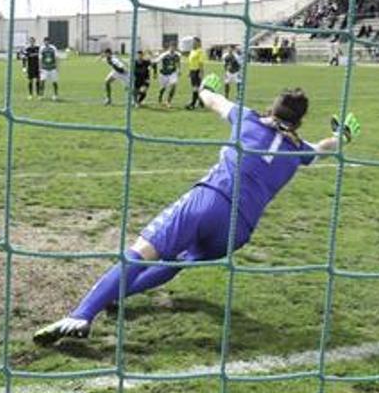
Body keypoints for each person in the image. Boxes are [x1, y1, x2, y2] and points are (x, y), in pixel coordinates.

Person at [33, 76, 361, 345]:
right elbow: (323, 149)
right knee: (179, 261)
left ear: (273, 107)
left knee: (140, 252)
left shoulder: (246, 117)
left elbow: (211, 99)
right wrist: (341, 135)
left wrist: (206, 86)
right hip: (239, 229)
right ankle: (116, 297)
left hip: (208, 201)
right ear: (299, 121)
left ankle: (81, 315)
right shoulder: (299, 151)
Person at [153, 42, 181, 108]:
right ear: (169, 47)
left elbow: (178, 63)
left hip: (172, 73)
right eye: (171, 47)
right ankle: (160, 96)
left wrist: (179, 70)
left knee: (173, 85)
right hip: (163, 73)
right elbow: (155, 63)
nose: (173, 48)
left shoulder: (177, 55)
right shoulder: (164, 55)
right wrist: (155, 73)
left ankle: (168, 101)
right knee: (163, 88)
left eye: (174, 47)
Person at [184, 37, 207, 110]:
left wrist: (201, 71)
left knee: (196, 88)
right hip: (192, 71)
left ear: (198, 43)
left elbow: (201, 62)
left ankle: (193, 103)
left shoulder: (200, 51)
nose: (193, 43)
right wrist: (189, 71)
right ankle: (201, 102)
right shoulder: (192, 51)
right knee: (197, 88)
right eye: (193, 42)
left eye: (194, 42)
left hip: (197, 71)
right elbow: (190, 62)